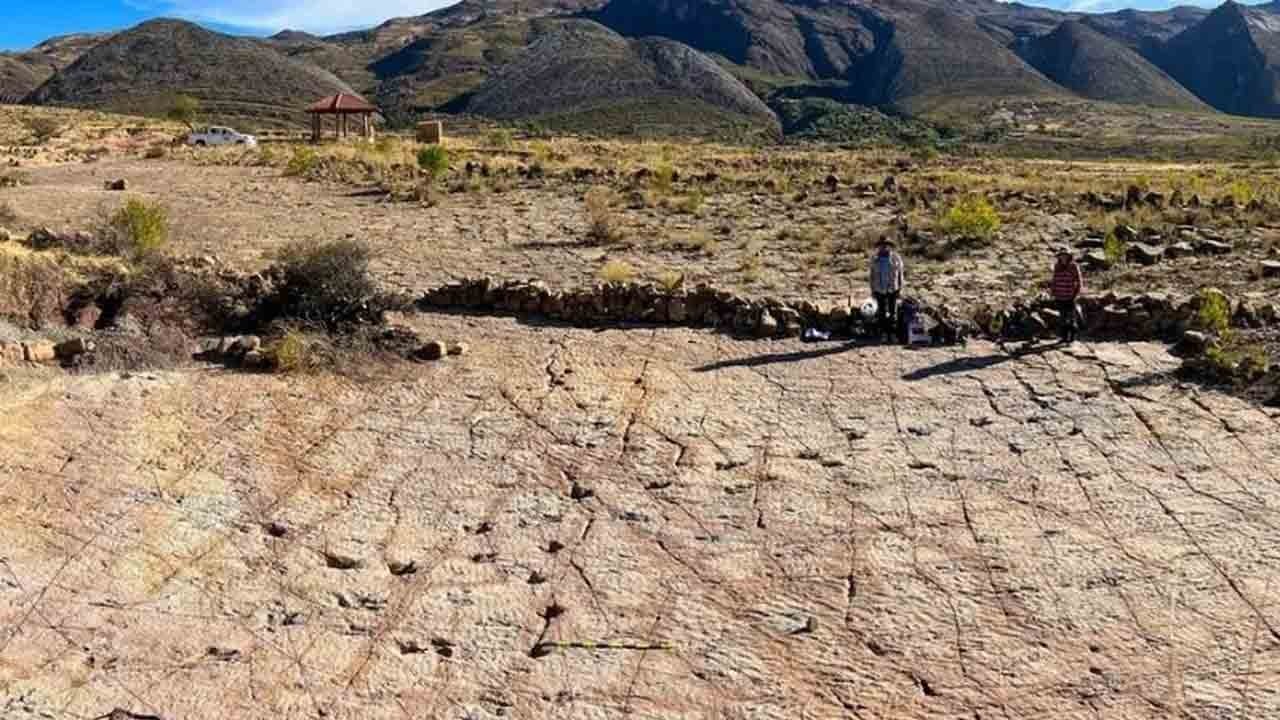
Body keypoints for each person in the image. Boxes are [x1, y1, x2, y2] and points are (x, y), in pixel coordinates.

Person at [869, 237, 905, 342]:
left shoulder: (896, 258)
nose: (884, 247)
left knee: (893, 312)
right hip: (879, 289)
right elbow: (871, 275)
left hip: (893, 288)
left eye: (886, 245)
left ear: (889, 246)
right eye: (882, 245)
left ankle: (892, 334)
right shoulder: (874, 259)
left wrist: (900, 288)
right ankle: (884, 334)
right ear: (879, 246)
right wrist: (872, 289)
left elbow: (900, 274)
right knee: (882, 312)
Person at [1051, 246, 1084, 343]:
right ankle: (1064, 337)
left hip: (1070, 296)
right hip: (1059, 295)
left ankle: (1072, 337)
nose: (1063, 257)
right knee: (1062, 318)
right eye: (1061, 255)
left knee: (1071, 317)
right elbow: (1054, 279)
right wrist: (1053, 291)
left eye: (1065, 255)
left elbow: (1079, 281)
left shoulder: (1073, 266)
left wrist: (1076, 293)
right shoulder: (1057, 266)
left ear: (1069, 256)